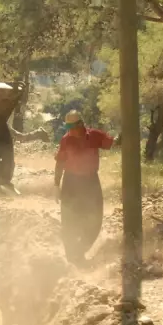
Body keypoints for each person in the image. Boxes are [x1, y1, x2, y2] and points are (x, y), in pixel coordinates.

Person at [54, 110, 115, 263]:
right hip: (70, 183)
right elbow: (60, 162)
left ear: (80, 124)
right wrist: (56, 185)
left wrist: (123, 137)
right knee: (69, 220)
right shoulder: (66, 140)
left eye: (72, 126)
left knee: (95, 219)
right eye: (67, 126)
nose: (70, 130)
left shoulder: (94, 135)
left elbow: (111, 143)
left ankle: (79, 251)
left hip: (90, 182)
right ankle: (71, 258)